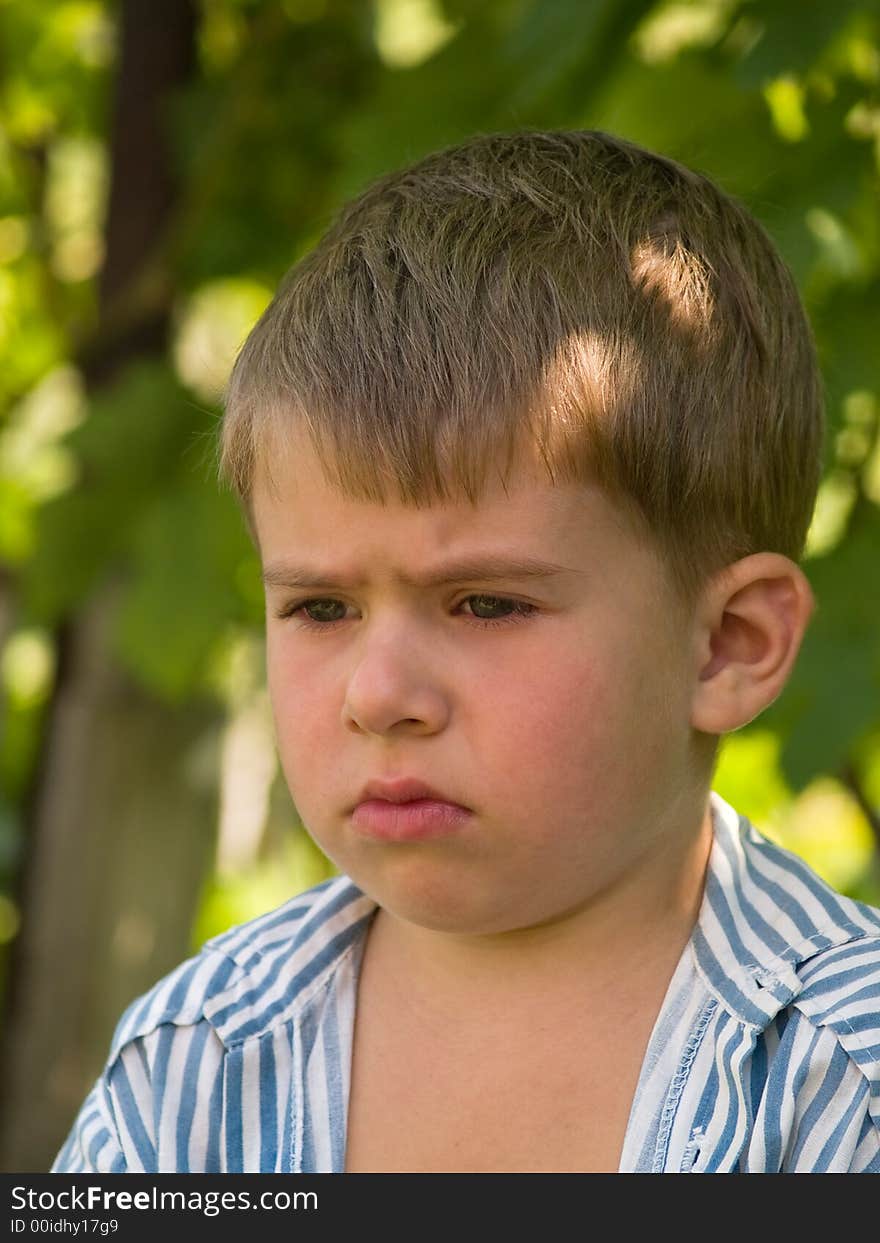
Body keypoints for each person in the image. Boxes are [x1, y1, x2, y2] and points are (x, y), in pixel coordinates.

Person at [53, 130, 880, 1174]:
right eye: (319, 608)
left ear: (727, 644)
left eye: (484, 602)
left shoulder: (840, 1083)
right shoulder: (195, 1067)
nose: (379, 693)